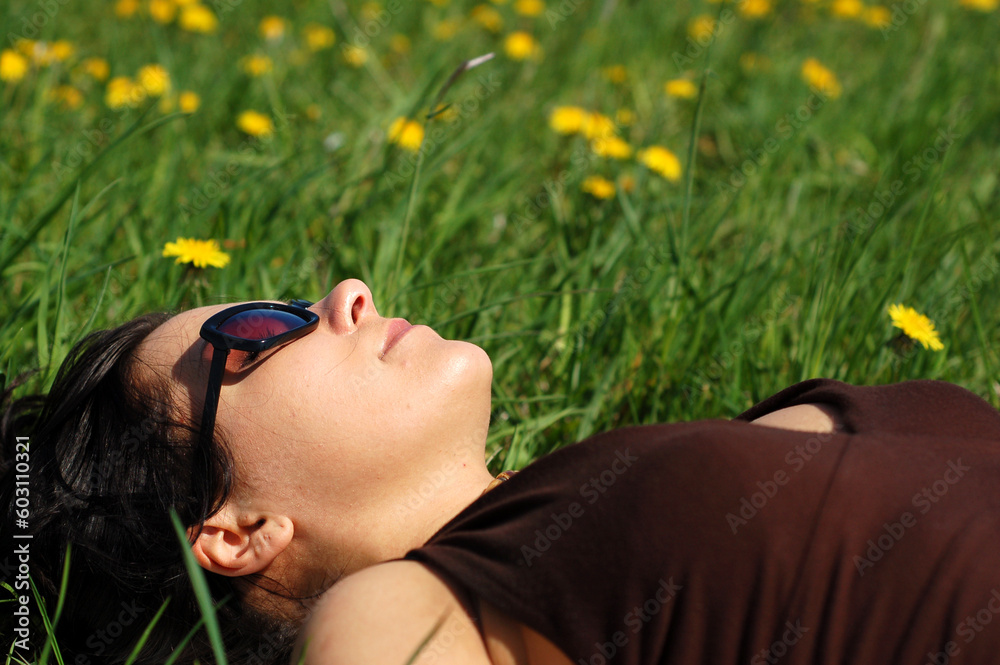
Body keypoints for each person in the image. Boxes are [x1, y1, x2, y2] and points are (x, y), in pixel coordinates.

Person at [3, 279, 999, 665]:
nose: (344, 292)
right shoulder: (391, 621)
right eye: (258, 331)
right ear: (233, 528)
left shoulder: (671, 470)